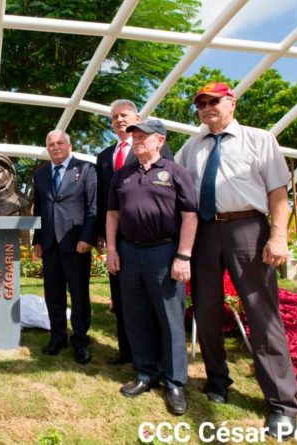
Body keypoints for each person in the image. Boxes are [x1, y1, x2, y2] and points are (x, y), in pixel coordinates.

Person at [178, 82, 297, 439]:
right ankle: (217, 379)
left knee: (261, 312)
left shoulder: (259, 139)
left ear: (231, 102)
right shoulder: (191, 147)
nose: (206, 108)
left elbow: (278, 193)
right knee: (206, 309)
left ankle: (281, 404)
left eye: (213, 101)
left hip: (248, 228)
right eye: (200, 104)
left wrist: (278, 236)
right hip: (205, 232)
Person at [105, 120, 198, 415]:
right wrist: (111, 250)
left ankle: (174, 381)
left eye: (143, 136)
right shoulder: (123, 175)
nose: (137, 140)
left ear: (160, 140)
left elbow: (190, 216)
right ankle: (145, 373)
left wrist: (183, 256)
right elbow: (112, 215)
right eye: (134, 136)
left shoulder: (175, 172)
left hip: (164, 251)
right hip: (130, 253)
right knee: (135, 315)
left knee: (170, 319)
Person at [95, 99, 174, 366]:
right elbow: (104, 202)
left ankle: (161, 359)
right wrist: (102, 236)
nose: (119, 120)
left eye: (124, 115)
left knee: (154, 300)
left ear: (137, 117)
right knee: (122, 297)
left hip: (155, 240)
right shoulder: (105, 156)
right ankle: (127, 351)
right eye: (114, 116)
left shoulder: (156, 148)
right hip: (119, 238)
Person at [32, 129, 96, 365]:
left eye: (60, 143)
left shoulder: (87, 169)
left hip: (76, 243)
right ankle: (57, 337)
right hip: (49, 245)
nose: (55, 146)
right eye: (51, 144)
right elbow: (38, 210)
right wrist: (37, 240)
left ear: (69, 145)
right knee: (53, 294)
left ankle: (80, 341)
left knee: (79, 295)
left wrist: (88, 237)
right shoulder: (40, 175)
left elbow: (93, 207)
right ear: (47, 148)